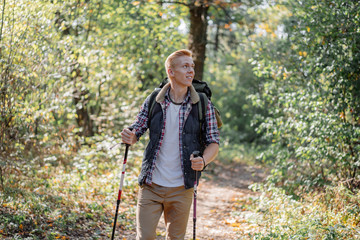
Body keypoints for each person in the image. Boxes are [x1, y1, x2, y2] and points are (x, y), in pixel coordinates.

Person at [121, 49, 220, 240]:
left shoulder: (202, 103)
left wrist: (204, 161)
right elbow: (137, 130)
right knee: (145, 237)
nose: (191, 71)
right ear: (171, 72)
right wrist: (129, 136)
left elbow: (213, 142)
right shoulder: (154, 100)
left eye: (192, 66)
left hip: (182, 188)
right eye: (185, 66)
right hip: (151, 185)